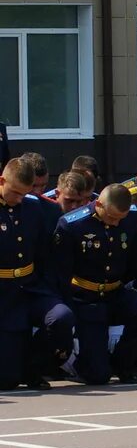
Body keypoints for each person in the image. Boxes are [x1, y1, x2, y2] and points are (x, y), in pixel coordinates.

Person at [54, 184, 137, 385]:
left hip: (116, 293)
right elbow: (62, 275)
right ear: (99, 204)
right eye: (111, 217)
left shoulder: (130, 218)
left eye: (120, 219)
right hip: (86, 299)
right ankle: (76, 363)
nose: (115, 223)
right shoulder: (72, 225)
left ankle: (123, 363)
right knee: (97, 376)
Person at [0, 157, 75, 390]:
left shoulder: (36, 208)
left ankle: (35, 367)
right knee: (8, 380)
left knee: (61, 317)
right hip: (3, 296)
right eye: (15, 193)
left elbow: (46, 254)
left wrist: (49, 290)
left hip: (31, 287)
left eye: (25, 193)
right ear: (2, 180)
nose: (19, 199)